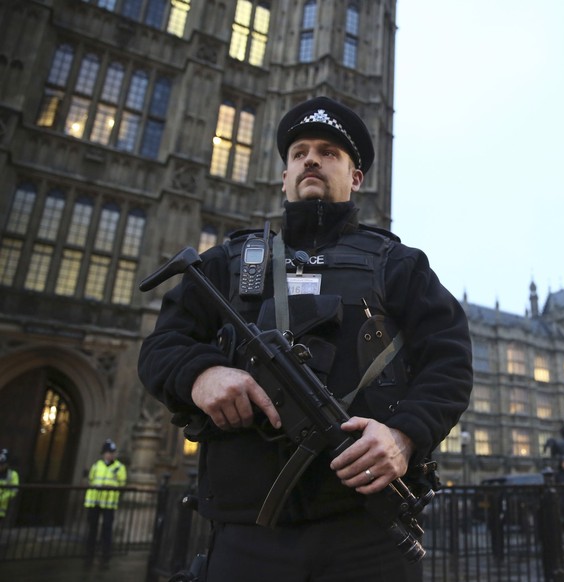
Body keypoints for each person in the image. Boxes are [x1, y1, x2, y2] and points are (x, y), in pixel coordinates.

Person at [138, 96, 473, 582]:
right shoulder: (228, 262)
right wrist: (201, 374)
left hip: (367, 535)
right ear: (284, 176)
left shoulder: (398, 265)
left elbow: (450, 361)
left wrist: (405, 436)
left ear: (355, 178)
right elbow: (161, 346)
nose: (311, 159)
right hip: (247, 532)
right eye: (299, 153)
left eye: (329, 152)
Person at [84, 439, 127, 569]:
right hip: (94, 501)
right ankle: (89, 553)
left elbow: (122, 483)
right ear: (103, 453)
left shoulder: (120, 467)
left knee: (106, 529)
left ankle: (105, 554)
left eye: (112, 452)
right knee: (92, 528)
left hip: (109, 503)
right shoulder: (97, 465)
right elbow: (91, 480)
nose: (110, 455)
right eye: (108, 452)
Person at [0, 449, 19, 523]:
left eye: (2, 464)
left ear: (7, 464)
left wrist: (2, 498)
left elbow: (14, 490)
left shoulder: (13, 475)